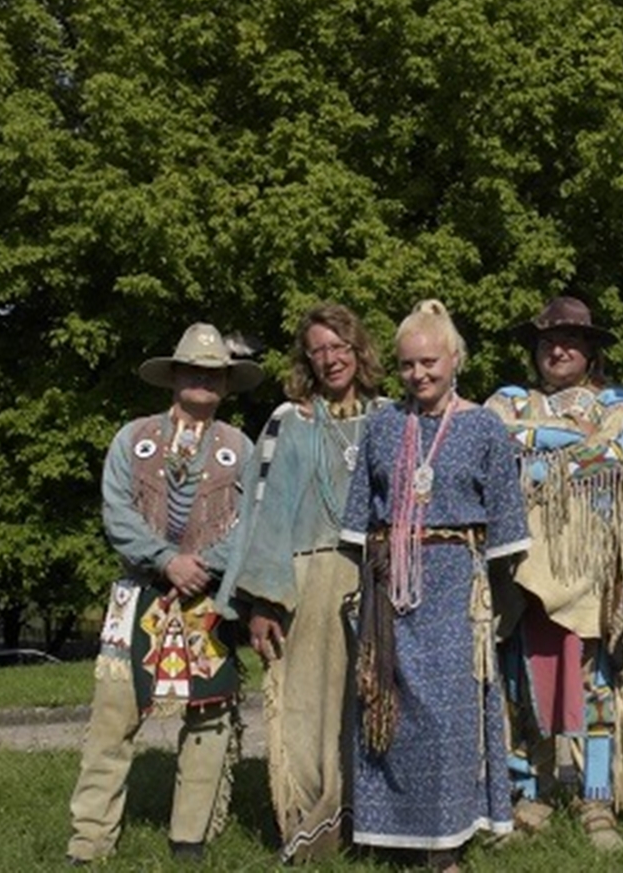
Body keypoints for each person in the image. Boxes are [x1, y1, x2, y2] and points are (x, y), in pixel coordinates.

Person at [339, 299, 530, 873]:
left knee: (449, 718)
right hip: (390, 583)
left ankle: (445, 845)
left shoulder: (483, 427)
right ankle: (389, 834)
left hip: (454, 589)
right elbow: (358, 515)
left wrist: (490, 602)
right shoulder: (382, 426)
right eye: (407, 365)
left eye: (429, 362)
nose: (418, 374)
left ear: (455, 360)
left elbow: (506, 527)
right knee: (387, 704)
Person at [67, 322, 264, 865]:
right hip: (139, 594)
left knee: (208, 720)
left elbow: (251, 522)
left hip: (208, 600)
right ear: (174, 376)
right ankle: (90, 839)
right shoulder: (133, 439)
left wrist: (205, 567)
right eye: (193, 370)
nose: (203, 380)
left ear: (226, 385)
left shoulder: (239, 449)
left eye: (214, 373)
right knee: (112, 720)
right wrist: (166, 560)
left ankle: (189, 838)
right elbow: (117, 513)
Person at [485, 297, 623, 850]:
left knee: (595, 685)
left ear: (590, 350)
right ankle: (531, 790)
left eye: (569, 341)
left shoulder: (618, 405)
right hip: (522, 572)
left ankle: (596, 798)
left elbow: (621, 449)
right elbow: (490, 443)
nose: (557, 350)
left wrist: (536, 449)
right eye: (546, 342)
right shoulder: (511, 400)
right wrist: (566, 440)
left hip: (589, 571)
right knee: (522, 682)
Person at [214, 303, 387, 862]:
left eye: (340, 346)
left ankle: (381, 823)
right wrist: (265, 600)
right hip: (311, 576)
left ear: (359, 350)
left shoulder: (391, 416)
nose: (332, 358)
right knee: (310, 702)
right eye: (319, 350)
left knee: (377, 699)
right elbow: (268, 513)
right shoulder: (291, 421)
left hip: (382, 577)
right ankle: (315, 823)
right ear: (306, 360)